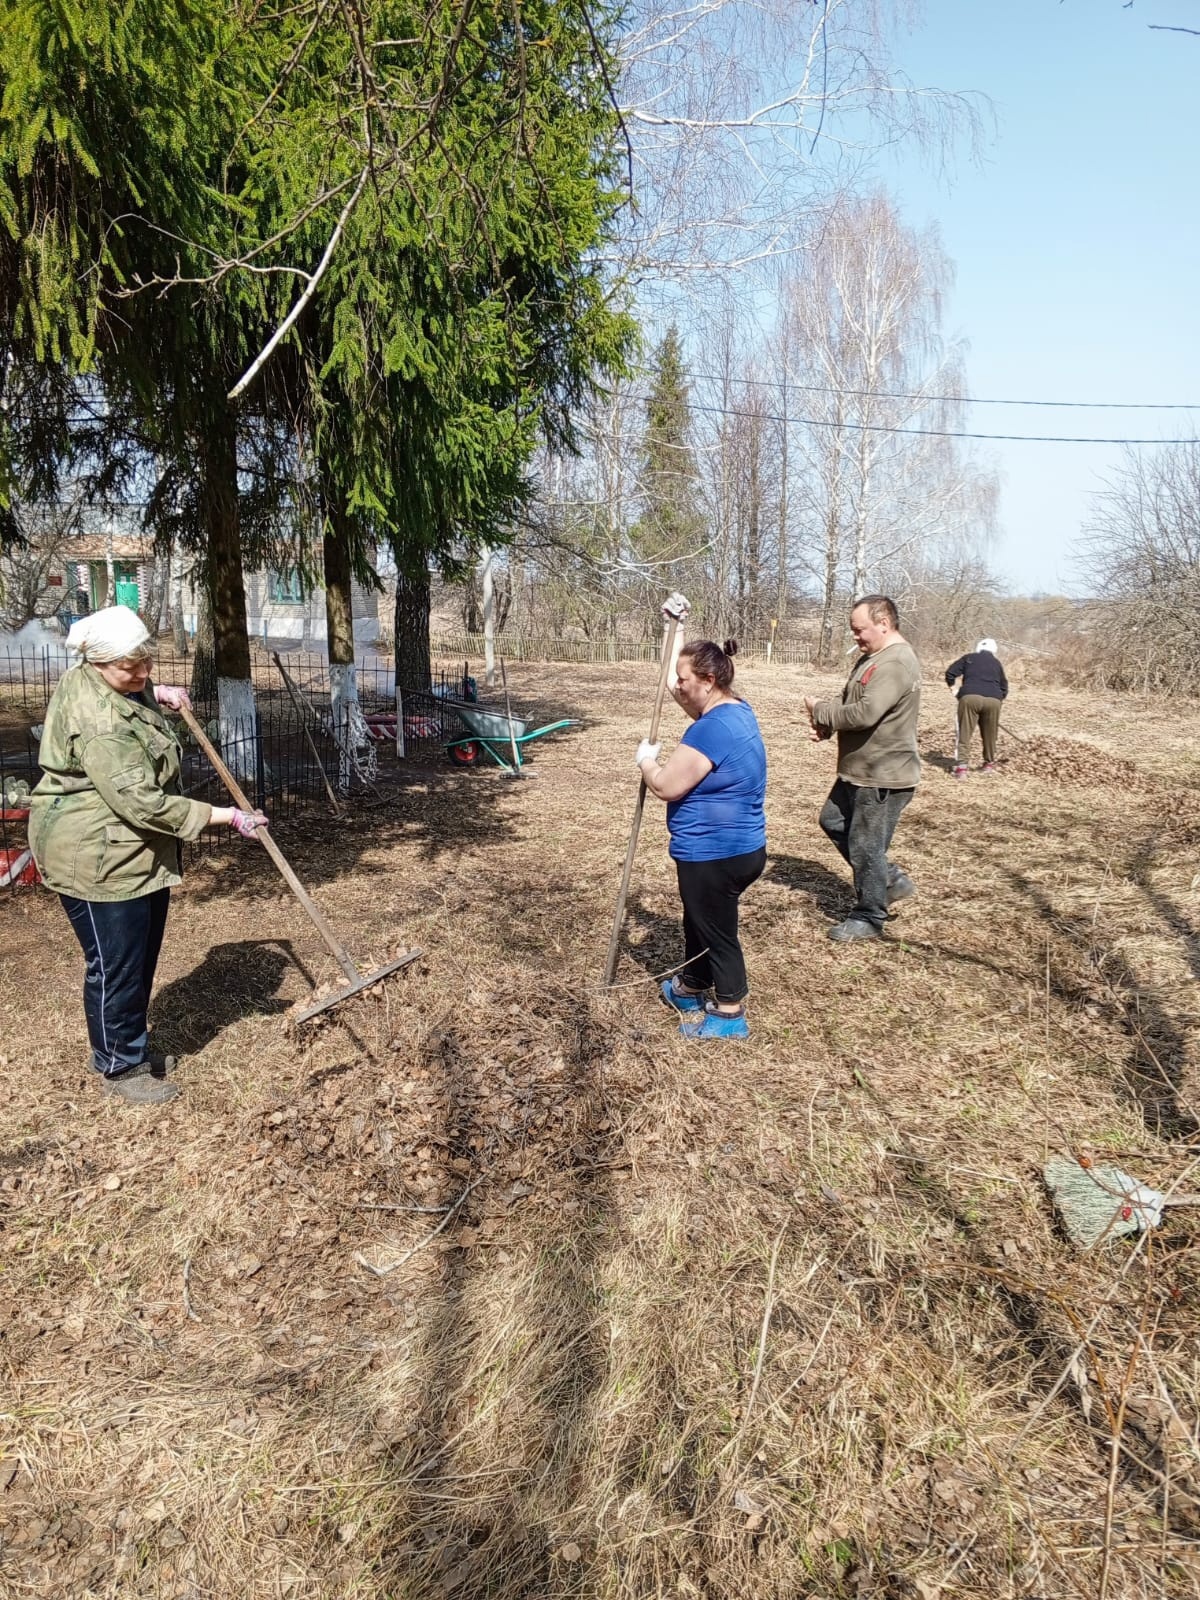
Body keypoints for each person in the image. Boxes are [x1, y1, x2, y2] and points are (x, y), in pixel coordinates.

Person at [29, 605, 268, 1105]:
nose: (140, 673)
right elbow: (142, 802)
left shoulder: (100, 681)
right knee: (116, 963)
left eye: (146, 663)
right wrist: (227, 817)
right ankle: (119, 1066)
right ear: (96, 663)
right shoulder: (100, 724)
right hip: (94, 854)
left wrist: (155, 694)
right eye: (129, 669)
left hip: (131, 849)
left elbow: (127, 695)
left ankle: (131, 1044)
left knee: (138, 958)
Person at [635, 604, 767, 1040]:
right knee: (699, 918)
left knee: (716, 929)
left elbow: (669, 786)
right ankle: (692, 986)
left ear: (709, 681)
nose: (677, 687)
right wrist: (677, 628)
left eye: (685, 679)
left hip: (717, 853)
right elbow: (675, 683)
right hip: (737, 848)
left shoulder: (710, 729)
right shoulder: (735, 709)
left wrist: (647, 763)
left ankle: (729, 1014)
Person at [804, 594, 921, 942]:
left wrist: (821, 710)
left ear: (884, 624)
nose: (855, 637)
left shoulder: (896, 663)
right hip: (859, 769)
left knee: (865, 846)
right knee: (833, 821)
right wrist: (829, 726)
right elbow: (854, 704)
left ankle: (869, 916)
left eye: (860, 630)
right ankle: (888, 880)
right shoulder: (873, 658)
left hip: (882, 774)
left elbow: (865, 713)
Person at [945, 637, 1008, 777]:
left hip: (969, 697)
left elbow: (950, 673)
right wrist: (995, 701)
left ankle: (962, 768)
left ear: (978, 648)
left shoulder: (969, 658)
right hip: (994, 700)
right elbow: (1004, 688)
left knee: (965, 732)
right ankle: (988, 764)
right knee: (990, 734)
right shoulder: (997, 664)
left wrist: (954, 689)